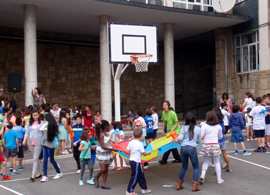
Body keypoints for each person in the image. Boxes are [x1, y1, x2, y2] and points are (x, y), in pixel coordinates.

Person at [175, 113, 202, 192]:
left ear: (186, 120)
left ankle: (179, 184)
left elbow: (179, 138)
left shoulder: (183, 128)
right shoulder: (198, 129)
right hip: (192, 148)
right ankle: (195, 185)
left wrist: (175, 140)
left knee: (184, 166)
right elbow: (199, 141)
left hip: (183, 148)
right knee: (196, 167)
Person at [199, 111, 224, 185]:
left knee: (206, 162)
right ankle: (219, 179)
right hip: (215, 145)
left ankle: (202, 176)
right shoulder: (218, 127)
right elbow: (220, 136)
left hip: (206, 145)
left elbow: (201, 136)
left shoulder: (204, 126)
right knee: (217, 162)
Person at [126, 128, 152, 195]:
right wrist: (149, 153)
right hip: (136, 162)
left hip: (132, 160)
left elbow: (128, 151)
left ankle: (144, 188)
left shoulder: (131, 142)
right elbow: (144, 153)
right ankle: (129, 190)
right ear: (141, 135)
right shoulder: (140, 144)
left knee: (141, 175)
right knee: (135, 176)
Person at [95, 120, 118, 190]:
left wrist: (113, 146)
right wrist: (112, 149)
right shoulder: (101, 135)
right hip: (102, 154)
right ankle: (96, 178)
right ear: (106, 127)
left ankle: (104, 184)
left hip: (107, 153)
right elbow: (102, 146)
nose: (110, 128)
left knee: (106, 170)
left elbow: (108, 143)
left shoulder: (107, 135)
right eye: (109, 126)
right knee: (103, 169)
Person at [22, 109, 45, 182]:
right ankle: (39, 172)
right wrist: (24, 140)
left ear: (38, 115)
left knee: (35, 158)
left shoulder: (42, 123)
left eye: (36, 115)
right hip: (31, 142)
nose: (35, 117)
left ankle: (33, 174)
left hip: (38, 142)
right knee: (35, 158)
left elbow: (44, 132)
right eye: (34, 115)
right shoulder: (29, 123)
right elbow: (27, 132)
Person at [40, 113, 63, 182]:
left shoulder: (49, 126)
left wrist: (45, 123)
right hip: (44, 144)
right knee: (45, 160)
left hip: (50, 145)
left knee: (51, 160)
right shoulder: (46, 125)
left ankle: (59, 172)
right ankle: (45, 175)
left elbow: (41, 129)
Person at [159, 101, 182, 165]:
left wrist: (172, 130)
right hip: (169, 131)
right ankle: (178, 158)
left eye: (165, 105)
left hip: (175, 131)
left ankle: (164, 160)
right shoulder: (164, 113)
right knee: (172, 145)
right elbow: (164, 122)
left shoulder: (173, 113)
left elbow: (177, 122)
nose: (164, 106)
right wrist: (163, 130)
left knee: (169, 144)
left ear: (168, 106)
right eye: (163, 105)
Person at [213, 108, 232, 172]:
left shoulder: (215, 123)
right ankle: (229, 167)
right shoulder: (222, 122)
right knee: (225, 154)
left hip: (217, 141)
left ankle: (217, 171)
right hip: (223, 140)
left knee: (216, 156)